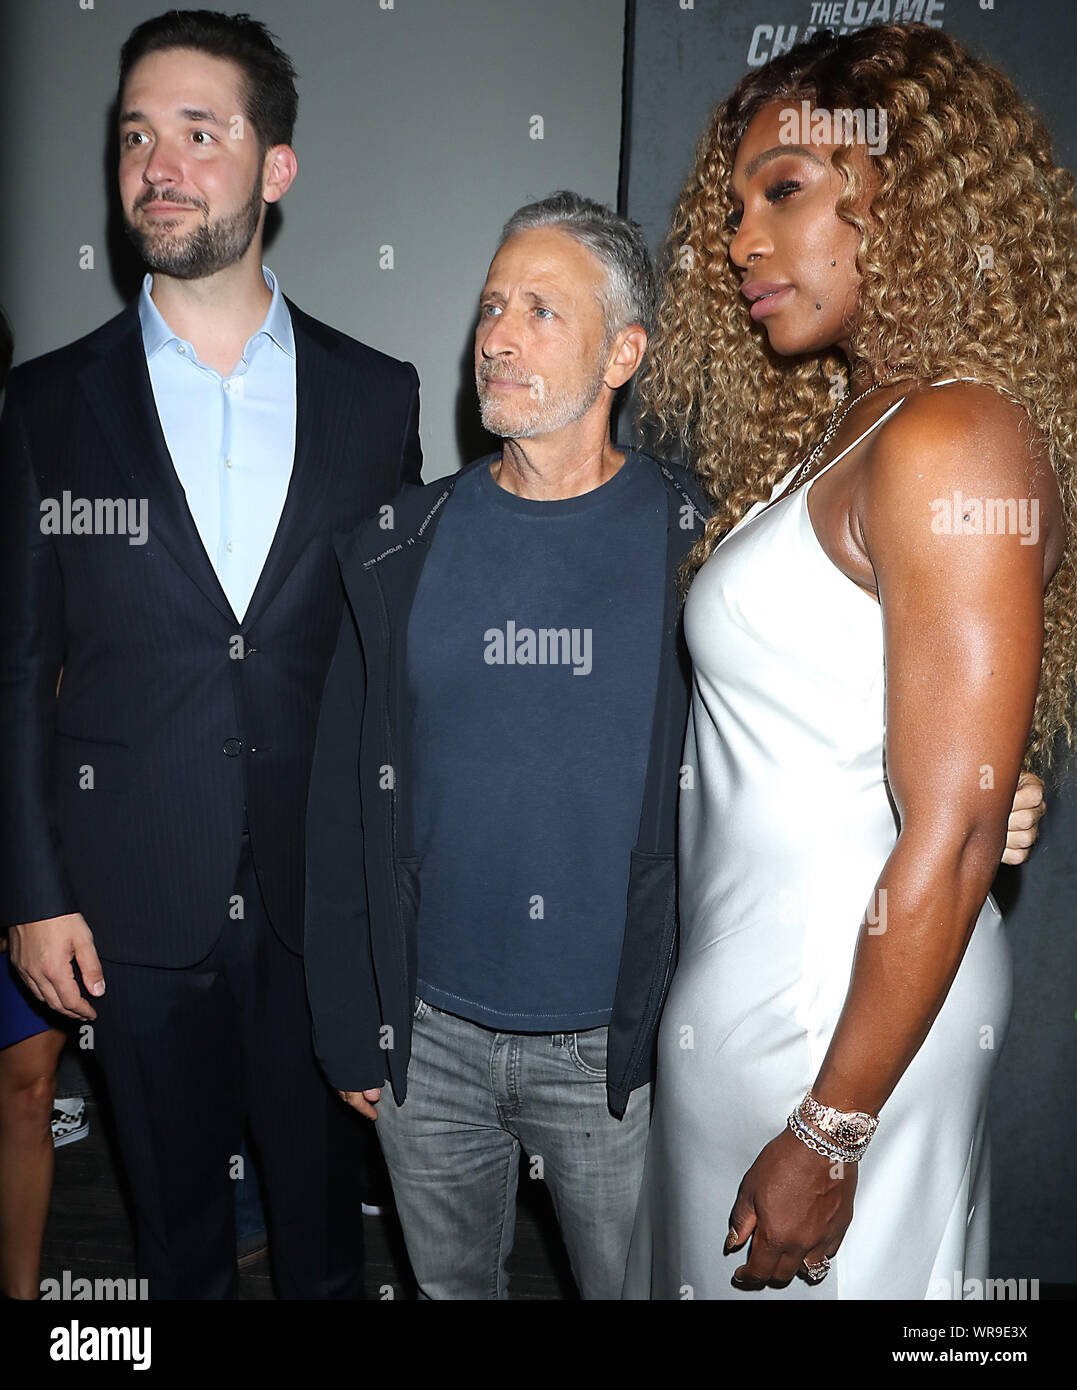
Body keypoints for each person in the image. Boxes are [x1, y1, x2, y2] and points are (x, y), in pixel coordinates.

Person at [303, 190, 1044, 1301]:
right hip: (428, 1044)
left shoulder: (696, 546)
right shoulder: (399, 543)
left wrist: (985, 786)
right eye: (492, 305)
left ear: (624, 352)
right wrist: (346, 1020)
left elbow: (807, 718)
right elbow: (340, 801)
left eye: (542, 311)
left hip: (627, 1055)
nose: (496, 336)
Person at [622, 23, 1075, 1300]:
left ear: (907, 191)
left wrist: (830, 1129)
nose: (739, 244)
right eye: (733, 209)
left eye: (785, 190)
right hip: (757, 992)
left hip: (838, 1027)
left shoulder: (954, 435)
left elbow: (961, 825)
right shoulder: (857, 423)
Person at [0, 10, 421, 1299]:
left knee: (323, 1247)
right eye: (137, 135)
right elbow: (16, 662)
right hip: (126, 903)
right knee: (176, 1246)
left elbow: (390, 665)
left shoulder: (377, 394)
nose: (158, 164)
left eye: (199, 131)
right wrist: (29, 888)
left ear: (273, 167)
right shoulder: (49, 402)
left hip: (317, 906)